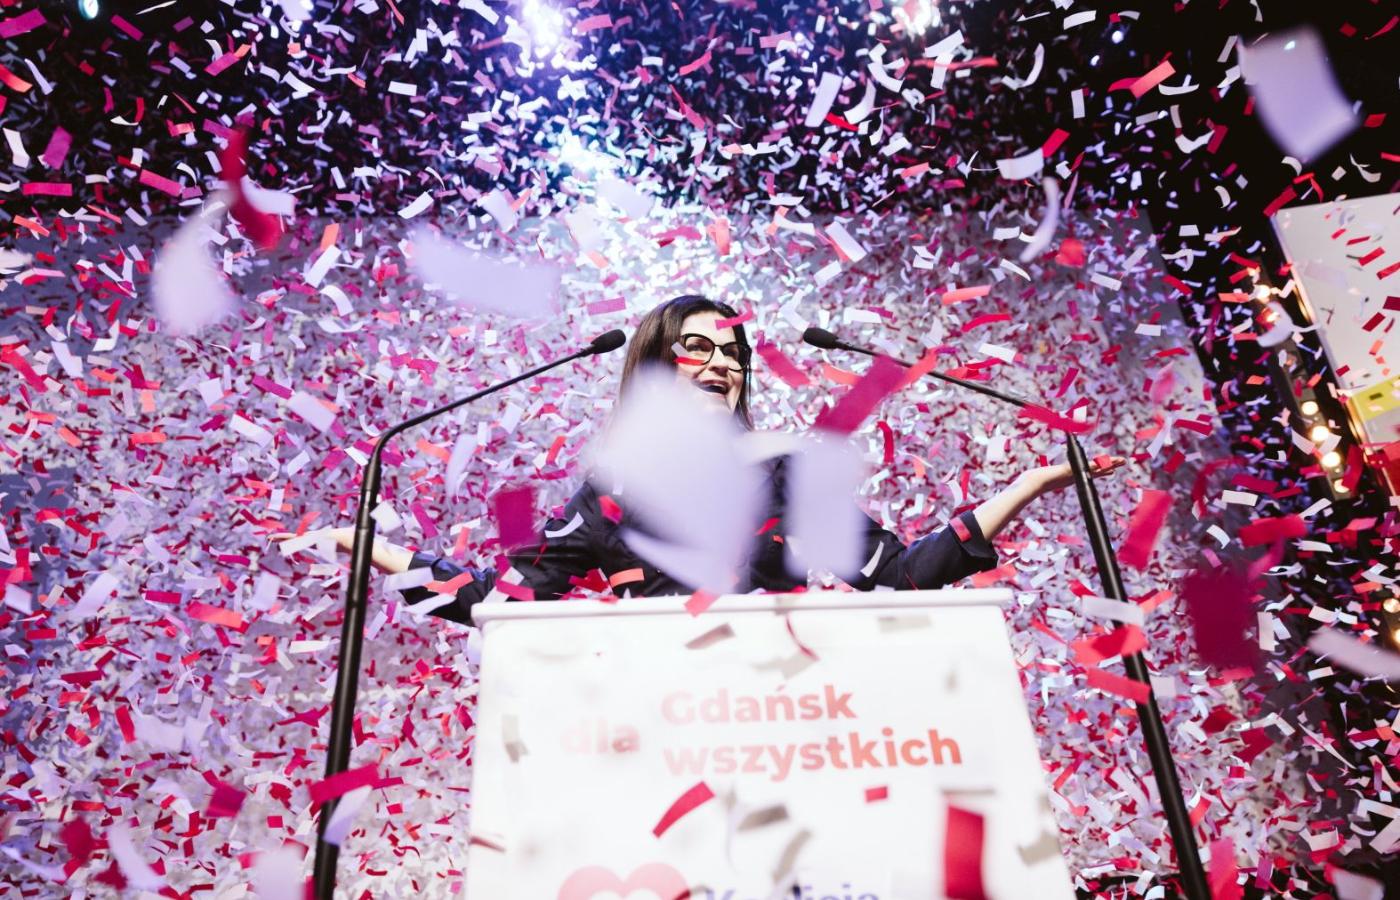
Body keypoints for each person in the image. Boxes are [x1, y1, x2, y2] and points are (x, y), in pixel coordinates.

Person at [283, 295, 1126, 623]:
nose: (723, 365)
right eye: (698, 349)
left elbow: (901, 576)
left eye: (733, 354)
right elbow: (500, 604)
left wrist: (1029, 484)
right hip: (666, 733)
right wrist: (371, 547)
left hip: (784, 728)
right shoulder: (609, 495)